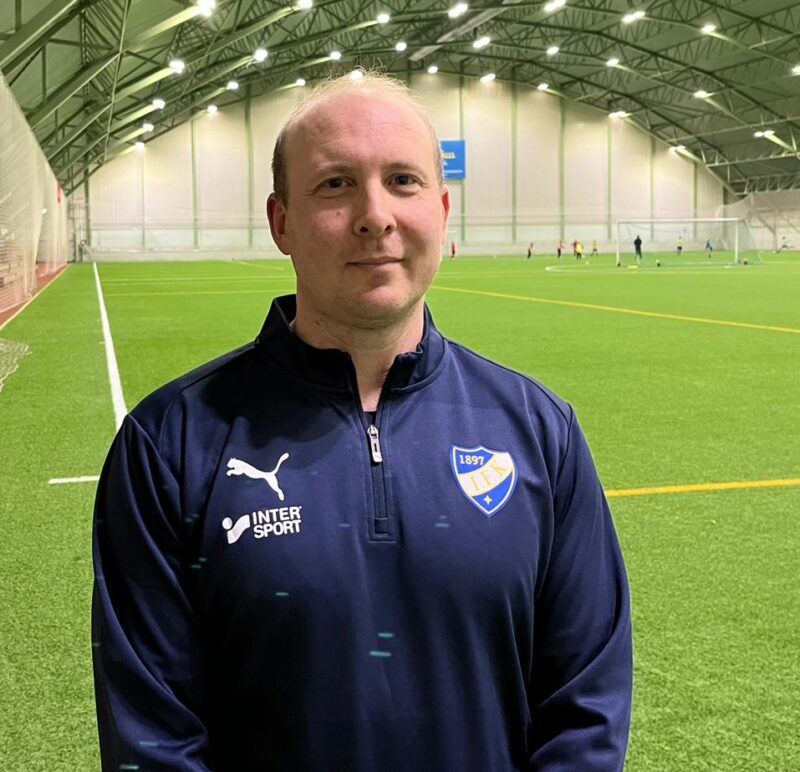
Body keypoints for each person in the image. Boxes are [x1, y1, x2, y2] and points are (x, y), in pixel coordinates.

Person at [92, 71, 632, 771]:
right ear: (281, 222)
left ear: (442, 210)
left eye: (402, 181)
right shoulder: (169, 444)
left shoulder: (539, 431)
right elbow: (153, 741)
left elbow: (585, 708)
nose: (375, 215)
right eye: (336, 184)